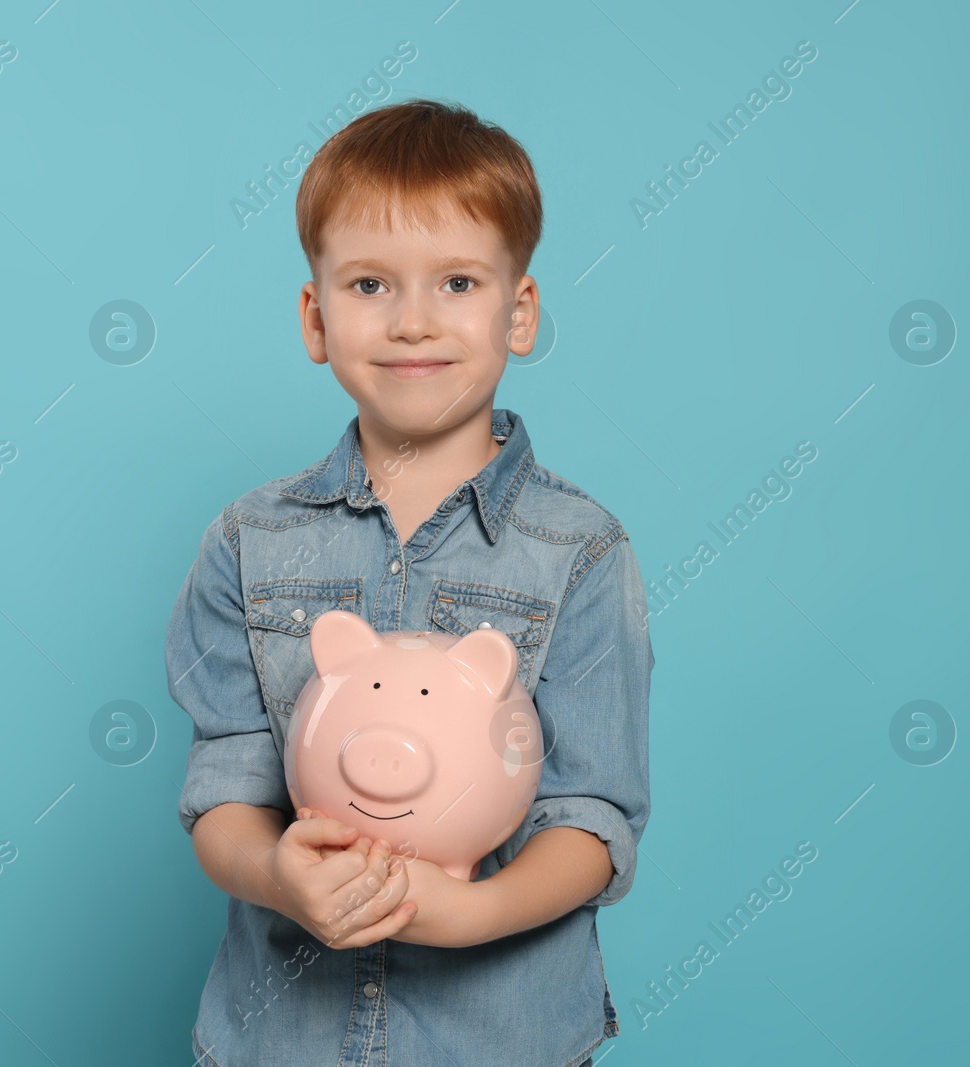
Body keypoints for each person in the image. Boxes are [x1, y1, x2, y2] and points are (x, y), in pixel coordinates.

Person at [163, 98, 653, 1067]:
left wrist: (472, 911)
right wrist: (276, 870)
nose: (413, 320)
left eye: (458, 281)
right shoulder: (247, 541)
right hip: (279, 1039)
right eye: (370, 283)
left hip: (503, 1039)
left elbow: (594, 817)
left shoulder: (581, 549)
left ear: (518, 313)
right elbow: (222, 790)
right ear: (316, 315)